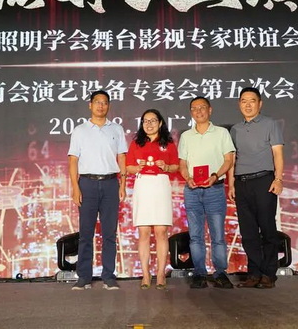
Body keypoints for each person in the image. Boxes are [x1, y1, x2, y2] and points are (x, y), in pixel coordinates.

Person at [67, 90, 128, 290]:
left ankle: (108, 276)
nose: (101, 106)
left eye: (104, 102)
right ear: (90, 105)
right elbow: (73, 160)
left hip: (111, 183)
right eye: (97, 102)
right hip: (87, 184)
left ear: (108, 106)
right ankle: (84, 276)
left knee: (110, 233)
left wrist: (123, 184)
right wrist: (75, 188)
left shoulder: (116, 129)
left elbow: (122, 157)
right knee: (86, 233)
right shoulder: (80, 130)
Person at [229, 87, 284, 289]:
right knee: (248, 231)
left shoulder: (270, 124)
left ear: (260, 104)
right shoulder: (235, 129)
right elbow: (232, 159)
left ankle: (268, 274)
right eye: (243, 101)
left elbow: (277, 153)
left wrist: (278, 179)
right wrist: (231, 184)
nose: (248, 104)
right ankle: (254, 273)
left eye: (252, 100)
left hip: (264, 181)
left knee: (267, 229)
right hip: (242, 183)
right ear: (239, 104)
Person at [178, 96, 236, 289]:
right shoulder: (186, 136)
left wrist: (215, 175)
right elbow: (183, 163)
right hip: (192, 191)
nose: (198, 111)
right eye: (194, 108)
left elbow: (228, 160)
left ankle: (220, 273)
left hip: (214, 189)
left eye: (202, 107)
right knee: (195, 236)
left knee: (217, 235)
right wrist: (188, 178)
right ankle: (199, 273)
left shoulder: (221, 133)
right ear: (191, 113)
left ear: (210, 110)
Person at [126, 109, 179, 290]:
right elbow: (129, 167)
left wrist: (166, 166)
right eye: (145, 121)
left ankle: (161, 273)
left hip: (161, 184)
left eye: (153, 121)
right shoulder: (136, 143)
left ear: (160, 123)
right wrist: (137, 167)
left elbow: (176, 166)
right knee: (144, 232)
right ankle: (146, 274)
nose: (149, 124)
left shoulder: (168, 143)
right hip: (143, 185)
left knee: (161, 232)